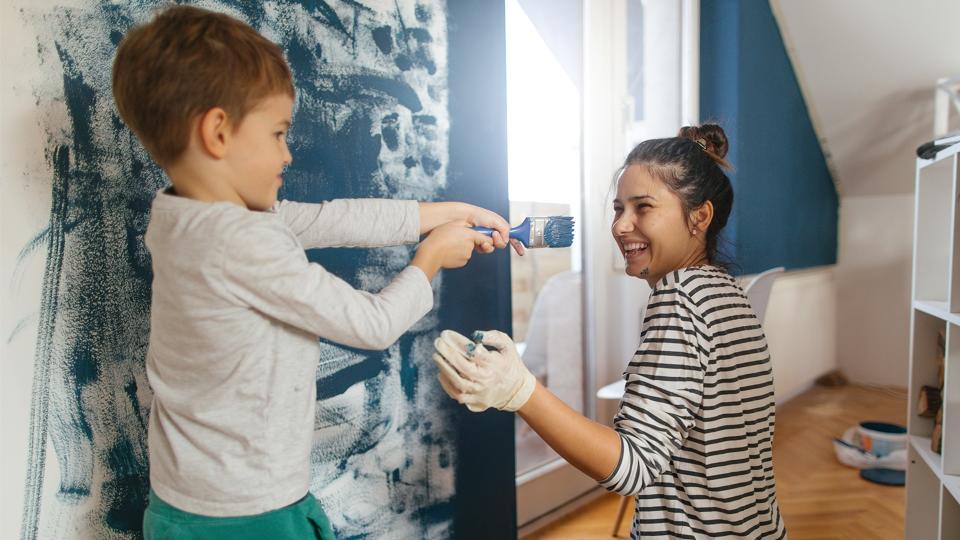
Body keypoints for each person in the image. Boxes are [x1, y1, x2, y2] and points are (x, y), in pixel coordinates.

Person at [111, 5, 516, 539]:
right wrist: (432, 258)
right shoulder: (243, 241)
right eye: (278, 133)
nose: (287, 154)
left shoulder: (184, 219)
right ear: (218, 132)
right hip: (248, 516)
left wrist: (442, 214)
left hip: (185, 501)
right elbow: (370, 324)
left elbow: (332, 219)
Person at [434, 125, 787, 539]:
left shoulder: (679, 299)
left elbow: (632, 466)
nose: (621, 225)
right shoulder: (727, 292)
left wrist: (519, 391)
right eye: (619, 208)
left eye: (643, 208)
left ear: (700, 216)